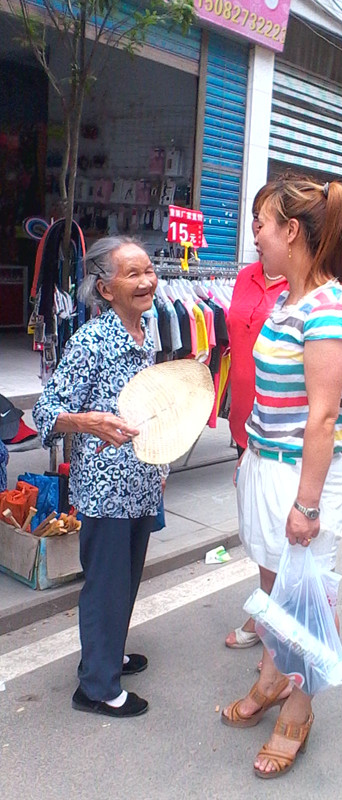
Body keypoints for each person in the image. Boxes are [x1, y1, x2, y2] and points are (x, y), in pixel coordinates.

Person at [221, 175, 342, 778]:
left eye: (261, 224)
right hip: (266, 463)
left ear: (291, 231)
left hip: (301, 479)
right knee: (274, 585)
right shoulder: (288, 299)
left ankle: (299, 710)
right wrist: (250, 454)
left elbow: (323, 416)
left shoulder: (331, 307)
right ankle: (272, 677)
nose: (255, 236)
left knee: (307, 601)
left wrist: (307, 505)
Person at [33, 236, 165, 718]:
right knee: (105, 585)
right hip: (107, 487)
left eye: (148, 270)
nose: (147, 281)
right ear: (106, 289)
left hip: (144, 478)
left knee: (125, 579)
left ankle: (106, 656)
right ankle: (96, 689)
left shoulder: (147, 330)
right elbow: (46, 411)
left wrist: (163, 463)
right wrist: (88, 422)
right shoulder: (90, 341)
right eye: (133, 274)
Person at [225, 183, 288, 650]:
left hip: (280, 430)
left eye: (262, 220)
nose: (254, 229)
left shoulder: (305, 289)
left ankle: (276, 628)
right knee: (257, 528)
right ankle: (269, 611)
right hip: (244, 424)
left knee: (277, 532)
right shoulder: (245, 276)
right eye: (254, 218)